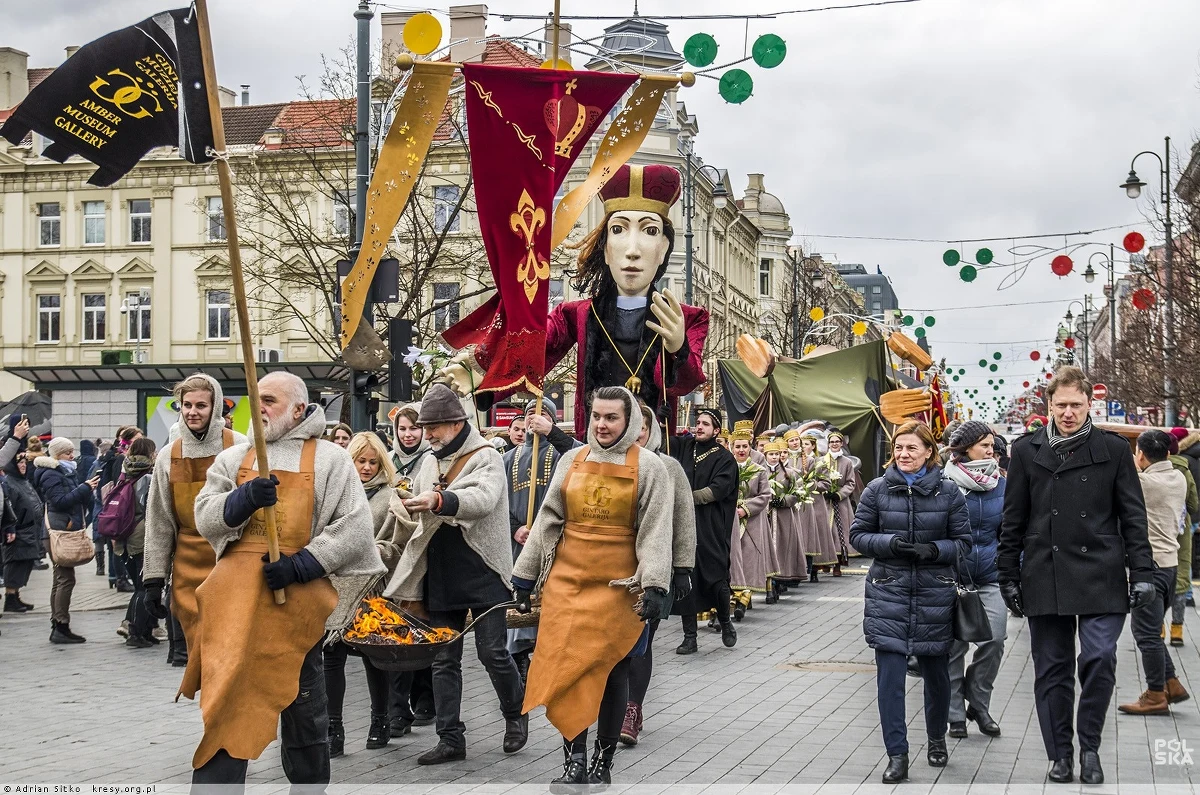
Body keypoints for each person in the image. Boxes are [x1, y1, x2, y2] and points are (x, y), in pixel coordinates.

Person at [190, 371, 385, 787]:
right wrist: (240, 501)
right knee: (228, 702)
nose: (258, 406)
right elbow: (204, 517)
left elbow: (354, 528)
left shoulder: (331, 459)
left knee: (304, 706)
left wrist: (303, 565)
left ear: (299, 409)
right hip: (236, 609)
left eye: (270, 400)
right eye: (255, 398)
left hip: (298, 609)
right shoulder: (233, 458)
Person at [441, 164, 708, 439]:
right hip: (593, 452)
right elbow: (532, 348)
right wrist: (480, 373)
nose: (632, 250)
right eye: (618, 230)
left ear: (664, 248)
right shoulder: (576, 314)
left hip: (654, 457)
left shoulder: (689, 317)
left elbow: (685, 384)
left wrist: (678, 348)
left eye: (650, 232)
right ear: (605, 249)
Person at [998, 366, 1155, 786]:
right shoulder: (1027, 450)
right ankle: (1061, 754)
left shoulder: (1114, 449)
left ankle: (1090, 747)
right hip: (1043, 570)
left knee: (1100, 658)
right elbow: (1012, 518)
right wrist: (1007, 574)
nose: (1068, 413)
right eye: (1061, 405)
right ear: (1049, 405)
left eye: (1076, 405)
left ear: (1090, 404)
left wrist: (1142, 572)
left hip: (1100, 569)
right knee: (1052, 669)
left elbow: (1133, 517)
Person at [512, 386, 674, 789]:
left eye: (611, 418)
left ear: (629, 421)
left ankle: (603, 761)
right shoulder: (572, 459)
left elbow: (656, 531)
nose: (602, 425)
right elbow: (548, 519)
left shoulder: (650, 467)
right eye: (597, 416)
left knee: (613, 672)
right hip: (567, 584)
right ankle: (574, 762)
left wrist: (654, 585)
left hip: (619, 587)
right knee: (568, 671)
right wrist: (524, 575)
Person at [384, 383, 527, 765]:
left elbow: (483, 499)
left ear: (456, 422)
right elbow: (417, 498)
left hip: (482, 568)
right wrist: (405, 504)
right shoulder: (430, 459)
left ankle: (516, 715)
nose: (427, 435)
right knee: (444, 659)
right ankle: (450, 738)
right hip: (441, 570)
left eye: (433, 428)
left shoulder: (487, 456)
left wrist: (440, 500)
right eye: (425, 428)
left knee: (493, 653)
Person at [850, 420, 971, 784]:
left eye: (912, 448)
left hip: (935, 592)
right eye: (899, 448)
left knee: (936, 675)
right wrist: (889, 545)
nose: (904, 454)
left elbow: (963, 543)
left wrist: (933, 550)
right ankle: (897, 754)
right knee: (890, 679)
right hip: (889, 591)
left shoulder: (949, 493)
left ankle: (936, 739)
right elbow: (858, 535)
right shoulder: (876, 490)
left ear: (929, 452)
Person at [142, 374, 246, 675]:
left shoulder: (238, 447)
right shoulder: (167, 455)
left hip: (229, 557)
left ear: (215, 408)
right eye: (186, 404)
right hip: (186, 563)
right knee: (192, 659)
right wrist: (154, 578)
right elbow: (160, 519)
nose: (192, 411)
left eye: (201, 405)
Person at [325, 431, 406, 756]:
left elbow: (400, 546)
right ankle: (334, 729)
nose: (367, 467)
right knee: (331, 657)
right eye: (362, 461)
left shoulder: (391, 498)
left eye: (374, 462)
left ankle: (380, 721)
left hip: (374, 588)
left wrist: (373, 550)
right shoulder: (334, 493)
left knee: (376, 657)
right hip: (335, 587)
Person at [622, 399, 696, 746]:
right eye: (632, 425)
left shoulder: (668, 467)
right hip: (610, 566)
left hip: (653, 568)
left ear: (650, 431)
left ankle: (631, 709)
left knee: (641, 638)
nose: (637, 433)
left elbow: (683, 518)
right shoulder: (605, 464)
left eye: (643, 427)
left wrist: (681, 566)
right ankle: (610, 703)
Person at [503, 398, 579, 683]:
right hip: (519, 544)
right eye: (531, 416)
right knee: (519, 602)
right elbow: (498, 503)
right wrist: (514, 528)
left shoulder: (563, 454)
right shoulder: (507, 459)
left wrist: (552, 432)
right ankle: (520, 661)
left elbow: (585, 455)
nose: (535, 421)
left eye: (543, 415)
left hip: (555, 542)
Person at [942, 421, 1008, 739]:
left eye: (992, 444)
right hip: (953, 578)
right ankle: (955, 714)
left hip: (990, 575)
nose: (991, 450)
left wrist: (1013, 567)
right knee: (955, 646)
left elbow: (1010, 531)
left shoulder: (1001, 484)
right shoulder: (944, 483)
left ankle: (978, 703)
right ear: (966, 448)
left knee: (995, 640)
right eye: (984, 444)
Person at [1118, 429, 1190, 716]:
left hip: (1152, 567)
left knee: (1145, 633)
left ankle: (1155, 694)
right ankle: (1170, 682)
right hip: (1171, 566)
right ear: (1169, 454)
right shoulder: (1178, 478)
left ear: (1141, 455)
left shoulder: (1145, 483)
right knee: (1152, 632)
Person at [671, 407, 738, 654]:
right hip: (684, 526)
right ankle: (690, 637)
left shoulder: (725, 458)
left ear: (716, 430)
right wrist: (663, 415)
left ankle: (725, 621)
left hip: (711, 528)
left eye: (705, 424)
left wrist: (685, 497)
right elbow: (661, 440)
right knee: (685, 578)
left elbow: (717, 490)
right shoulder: (685, 447)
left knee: (716, 578)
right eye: (697, 422)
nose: (699, 427)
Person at [386, 402, 436, 729]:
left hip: (419, 550)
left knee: (418, 626)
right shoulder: (389, 461)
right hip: (392, 551)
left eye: (414, 428)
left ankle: (423, 699)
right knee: (395, 630)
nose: (408, 434)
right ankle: (398, 709)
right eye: (403, 428)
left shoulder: (430, 460)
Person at [36, 437, 101, 644]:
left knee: (60, 578)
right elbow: (60, 501)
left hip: (60, 529)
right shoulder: (51, 473)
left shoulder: (64, 471)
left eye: (72, 452)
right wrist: (84, 488)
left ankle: (58, 624)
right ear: (57, 455)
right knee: (65, 579)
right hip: (57, 532)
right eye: (67, 453)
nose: (72, 456)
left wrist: (85, 489)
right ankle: (61, 625)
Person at [113, 438, 158, 648]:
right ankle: (136, 632)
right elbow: (153, 507)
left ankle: (145, 630)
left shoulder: (125, 471)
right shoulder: (149, 476)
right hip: (142, 537)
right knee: (144, 586)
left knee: (140, 585)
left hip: (123, 537)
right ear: (150, 453)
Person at [728, 422, 772, 598]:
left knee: (749, 556)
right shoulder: (726, 468)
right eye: (737, 446)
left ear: (749, 447)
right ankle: (734, 593)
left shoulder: (759, 470)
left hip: (752, 520)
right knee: (732, 556)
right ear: (732, 448)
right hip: (730, 519)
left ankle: (746, 595)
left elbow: (765, 494)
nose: (741, 450)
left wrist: (746, 508)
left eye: (744, 446)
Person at [1166, 427, 1198, 647]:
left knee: (1155, 575)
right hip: (1183, 526)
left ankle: (1156, 626)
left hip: (1155, 528)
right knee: (1182, 572)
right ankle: (1177, 630)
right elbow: (1193, 503)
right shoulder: (1185, 469)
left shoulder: (1146, 470)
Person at [763, 440, 807, 599]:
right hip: (766, 515)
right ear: (765, 455)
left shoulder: (790, 473)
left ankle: (781, 579)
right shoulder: (761, 472)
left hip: (784, 516)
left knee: (783, 547)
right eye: (771, 454)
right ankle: (769, 583)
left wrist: (782, 501)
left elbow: (797, 494)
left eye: (776, 454)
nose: (774, 457)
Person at [2, 452, 42, 612]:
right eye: (19, 463)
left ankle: (16, 595)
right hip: (18, 531)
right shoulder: (10, 483)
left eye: (25, 462)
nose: (23, 465)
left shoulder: (23, 481)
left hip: (30, 530)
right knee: (15, 564)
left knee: (25, 564)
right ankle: (10, 598)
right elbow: (8, 508)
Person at [825, 430, 859, 569]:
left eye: (837, 442)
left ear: (841, 444)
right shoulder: (821, 461)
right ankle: (825, 562)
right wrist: (825, 491)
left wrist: (839, 494)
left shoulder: (847, 462)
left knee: (840, 532)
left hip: (841, 501)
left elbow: (851, 483)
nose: (834, 444)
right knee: (826, 530)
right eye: (832, 442)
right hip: (826, 501)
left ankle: (839, 564)